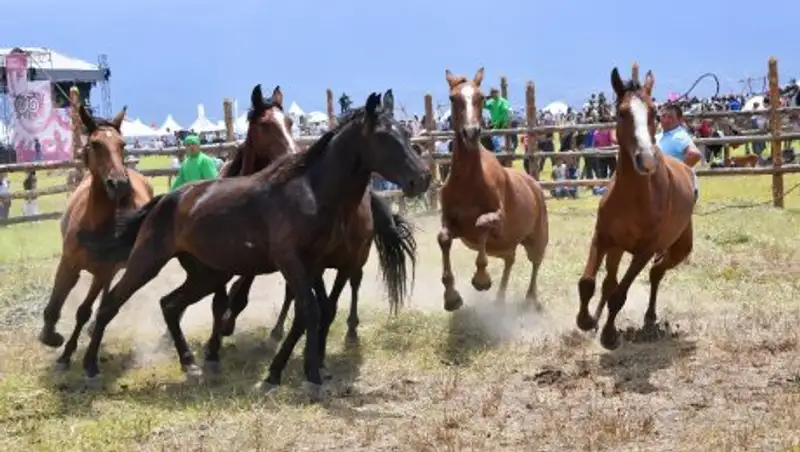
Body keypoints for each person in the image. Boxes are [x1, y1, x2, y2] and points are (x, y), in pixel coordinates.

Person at [656, 104, 703, 200]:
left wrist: (676, 174)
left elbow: (695, 155)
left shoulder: (678, 136)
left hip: (677, 190)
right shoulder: (659, 136)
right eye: (664, 116)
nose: (667, 120)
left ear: (680, 120)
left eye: (671, 117)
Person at [484, 87, 510, 156]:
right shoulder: (492, 102)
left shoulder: (503, 101)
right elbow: (484, 106)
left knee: (495, 135)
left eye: (493, 93)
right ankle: (497, 149)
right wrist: (485, 99)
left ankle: (499, 150)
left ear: (497, 93)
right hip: (494, 123)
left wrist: (500, 122)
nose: (492, 95)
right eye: (491, 94)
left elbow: (505, 112)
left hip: (502, 122)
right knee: (490, 136)